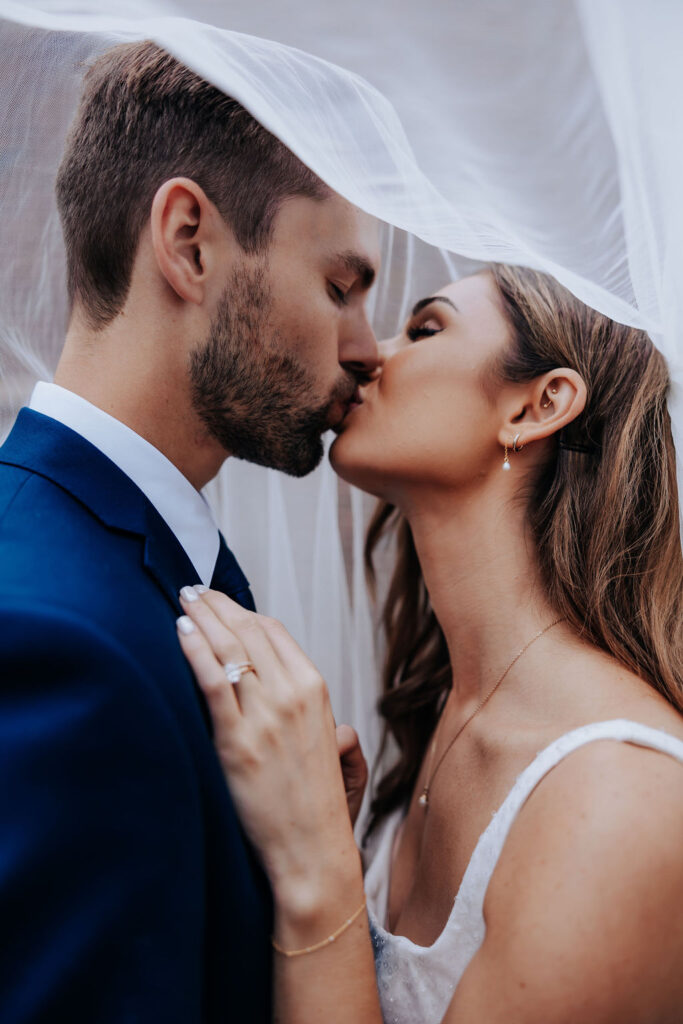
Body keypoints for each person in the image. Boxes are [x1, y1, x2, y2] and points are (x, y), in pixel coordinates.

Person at [178, 265, 683, 1023]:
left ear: (537, 405)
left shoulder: (618, 800)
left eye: (424, 329)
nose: (367, 356)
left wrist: (315, 865)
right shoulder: (451, 705)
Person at [0, 40, 379, 1023]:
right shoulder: (53, 641)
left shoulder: (172, 560)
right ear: (189, 242)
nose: (366, 347)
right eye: (339, 286)